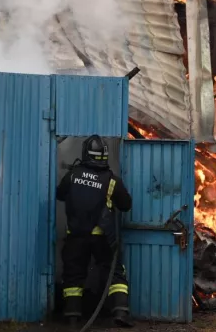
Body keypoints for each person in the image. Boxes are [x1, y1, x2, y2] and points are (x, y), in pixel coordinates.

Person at [56, 135, 134, 328]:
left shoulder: (73, 175)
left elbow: (60, 194)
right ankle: (120, 312)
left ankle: (72, 315)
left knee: (73, 274)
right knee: (115, 273)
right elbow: (126, 205)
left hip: (76, 235)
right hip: (102, 237)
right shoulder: (111, 180)